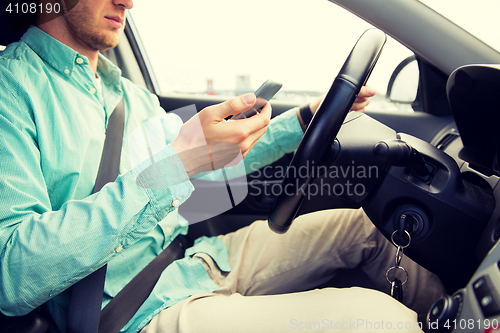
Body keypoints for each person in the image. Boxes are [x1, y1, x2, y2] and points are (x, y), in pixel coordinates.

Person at [0, 0, 445, 332]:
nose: (128, 2)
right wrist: (176, 163)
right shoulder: (11, 88)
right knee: (378, 320)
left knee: (367, 226)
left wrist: (304, 121)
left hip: (192, 259)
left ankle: (466, 318)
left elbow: (194, 178)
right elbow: (12, 275)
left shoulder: (128, 94)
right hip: (130, 311)